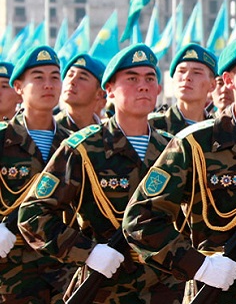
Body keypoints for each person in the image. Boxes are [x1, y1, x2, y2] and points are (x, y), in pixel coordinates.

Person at [122, 31, 236, 303]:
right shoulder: (195, 144)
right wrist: (198, 265)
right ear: (229, 80)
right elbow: (142, 218)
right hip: (215, 292)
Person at [18, 44, 184, 303]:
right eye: (132, 79)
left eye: (150, 79)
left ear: (159, 90)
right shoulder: (83, 148)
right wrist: (88, 252)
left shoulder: (173, 148)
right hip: (103, 288)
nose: (143, 86)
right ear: (109, 91)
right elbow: (33, 214)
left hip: (165, 288)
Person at [0, 46, 73, 303]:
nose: (48, 85)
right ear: (18, 87)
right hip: (10, 274)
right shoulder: (3, 139)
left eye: (55, 77)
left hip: (63, 272)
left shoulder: (76, 146)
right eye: (38, 77)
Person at [149, 43, 217, 135]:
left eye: (196, 73)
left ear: (212, 85)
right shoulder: (150, 126)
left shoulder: (219, 131)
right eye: (181, 71)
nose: (187, 77)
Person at [55, 53, 105, 132]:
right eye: (70, 75)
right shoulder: (49, 131)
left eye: (82, 78)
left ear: (99, 93)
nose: (72, 81)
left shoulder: (108, 136)